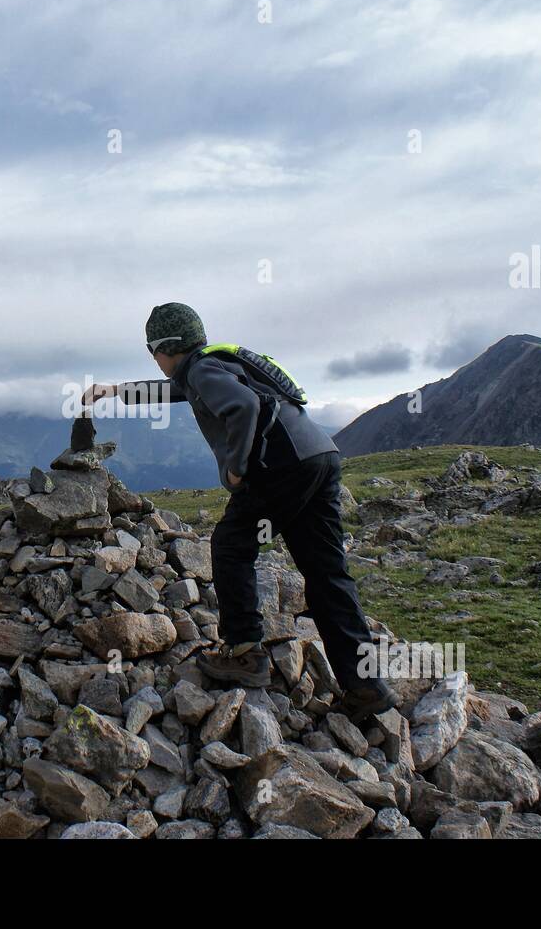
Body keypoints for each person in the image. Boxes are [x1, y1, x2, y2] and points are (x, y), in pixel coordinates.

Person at [83, 302, 399, 721]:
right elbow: (175, 391)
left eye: (151, 350)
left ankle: (245, 651)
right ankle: (366, 687)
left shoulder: (202, 371)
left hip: (282, 465)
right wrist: (116, 390)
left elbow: (243, 408)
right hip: (319, 457)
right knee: (327, 573)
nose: (153, 360)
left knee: (231, 545)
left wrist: (236, 464)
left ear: (165, 347)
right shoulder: (213, 364)